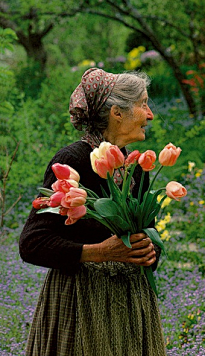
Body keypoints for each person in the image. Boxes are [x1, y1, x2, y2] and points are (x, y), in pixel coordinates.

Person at [19, 68, 167, 356]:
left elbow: (145, 232)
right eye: (143, 104)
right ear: (117, 113)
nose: (150, 115)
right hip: (79, 304)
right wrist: (99, 252)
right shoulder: (72, 160)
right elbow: (32, 243)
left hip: (132, 308)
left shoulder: (136, 166)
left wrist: (149, 250)